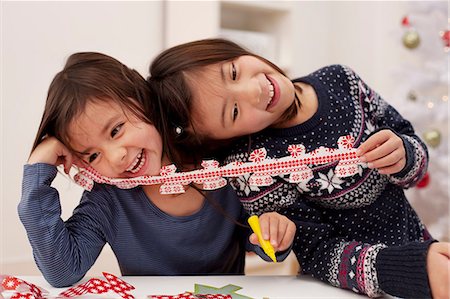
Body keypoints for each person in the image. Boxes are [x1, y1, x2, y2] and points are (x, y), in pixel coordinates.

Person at [147, 38, 450, 299]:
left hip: (425, 252)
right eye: (235, 111)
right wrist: (405, 267)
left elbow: (416, 162)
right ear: (226, 139)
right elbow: (318, 252)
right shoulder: (253, 166)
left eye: (234, 72)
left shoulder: (341, 80)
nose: (255, 90)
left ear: (233, 50)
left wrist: (404, 155)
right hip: (352, 285)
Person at [18, 52, 296, 288]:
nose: (117, 157)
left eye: (116, 130)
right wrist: (38, 172)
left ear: (144, 102)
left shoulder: (220, 167)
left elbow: (258, 242)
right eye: (93, 154)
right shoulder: (106, 200)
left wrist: (272, 233)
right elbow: (62, 271)